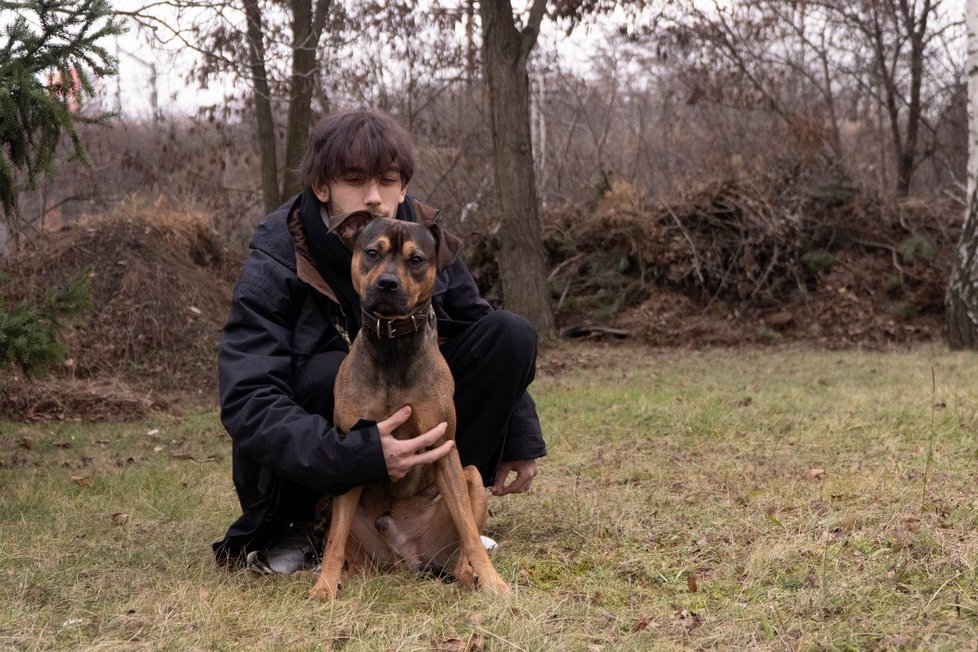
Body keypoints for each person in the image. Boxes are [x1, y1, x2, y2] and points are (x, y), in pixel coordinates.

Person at [212, 108, 546, 574]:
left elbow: (477, 326)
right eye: (355, 180)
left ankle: (444, 516)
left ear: (404, 186)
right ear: (321, 187)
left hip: (414, 412)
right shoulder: (277, 258)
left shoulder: (420, 236)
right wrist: (357, 454)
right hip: (322, 445)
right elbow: (247, 399)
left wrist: (521, 434)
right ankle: (300, 525)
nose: (374, 197)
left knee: (509, 334)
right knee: (331, 371)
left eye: (388, 180)